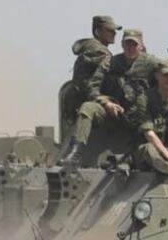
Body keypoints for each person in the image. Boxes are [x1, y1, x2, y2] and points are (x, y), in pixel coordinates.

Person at [60, 29, 153, 165]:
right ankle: (76, 152)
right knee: (87, 108)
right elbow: (93, 87)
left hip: (141, 119)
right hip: (114, 113)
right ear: (122, 45)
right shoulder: (112, 63)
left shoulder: (151, 65)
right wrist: (106, 103)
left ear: (141, 47)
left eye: (134, 45)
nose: (130, 48)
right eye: (127, 44)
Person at [63, 15, 121, 122]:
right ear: (98, 32)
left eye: (114, 31)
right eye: (109, 30)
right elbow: (115, 69)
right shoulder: (97, 50)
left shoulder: (94, 48)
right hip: (88, 99)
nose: (114, 33)